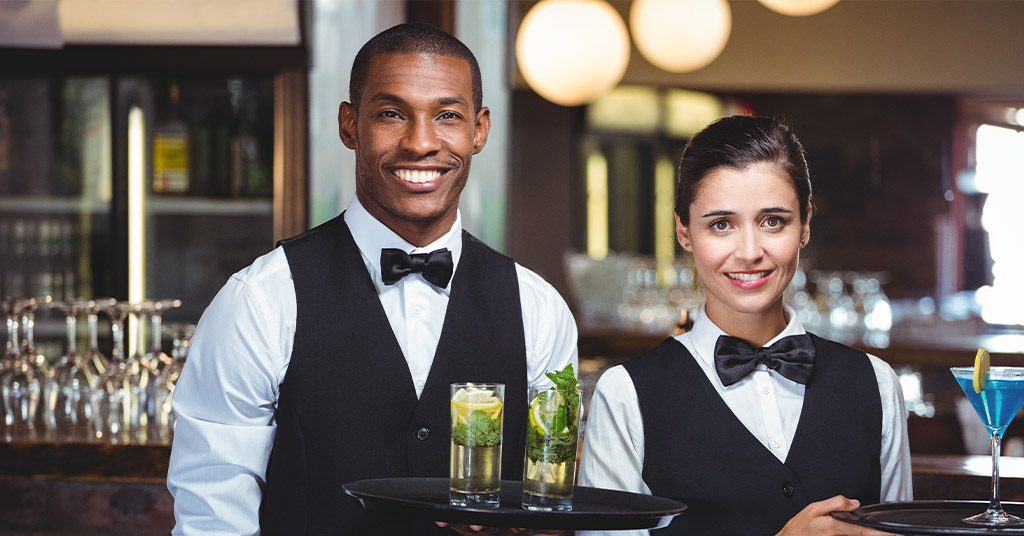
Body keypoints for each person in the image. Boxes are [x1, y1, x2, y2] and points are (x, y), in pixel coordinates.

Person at [166, 23, 578, 535]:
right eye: (391, 114)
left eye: (447, 116)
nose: (421, 142)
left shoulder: (537, 307)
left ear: (479, 131)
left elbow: (552, 502)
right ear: (349, 125)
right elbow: (212, 509)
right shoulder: (261, 299)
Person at [577, 115, 912, 536]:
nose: (750, 252)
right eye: (721, 224)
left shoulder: (877, 384)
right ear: (684, 231)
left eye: (773, 221)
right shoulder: (625, 394)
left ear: (805, 224)